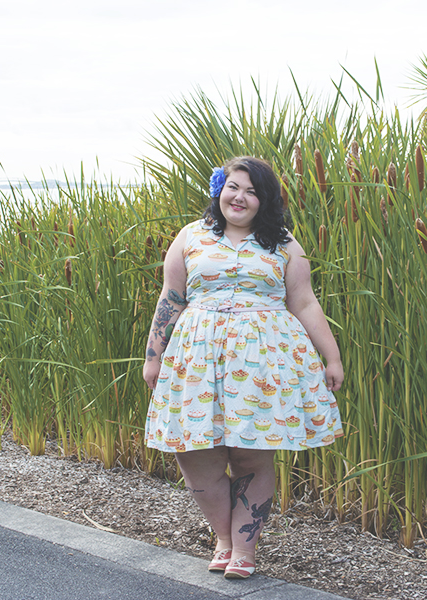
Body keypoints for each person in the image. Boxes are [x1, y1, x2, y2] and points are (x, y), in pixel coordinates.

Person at [142, 156, 344, 580]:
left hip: (261, 363)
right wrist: (153, 356)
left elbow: (304, 302)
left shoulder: (283, 244)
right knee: (196, 453)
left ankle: (244, 549)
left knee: (250, 454)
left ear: (264, 200)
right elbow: (171, 297)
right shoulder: (191, 237)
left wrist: (333, 356)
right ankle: (224, 538)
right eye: (234, 186)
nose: (240, 197)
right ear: (220, 190)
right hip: (196, 359)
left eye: (252, 191)